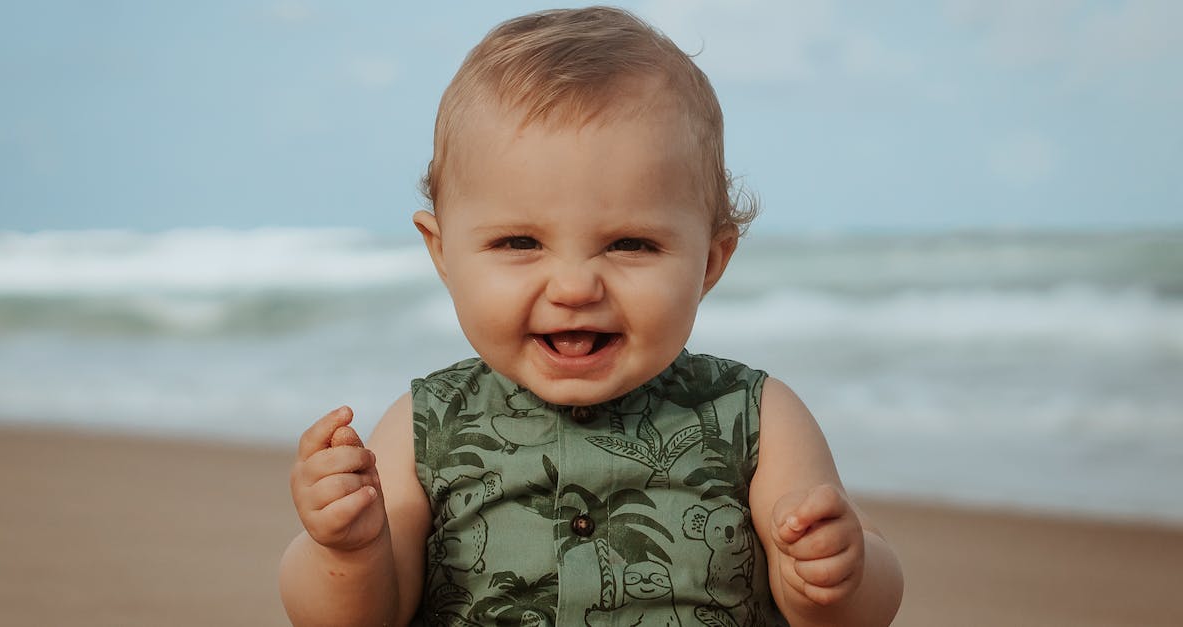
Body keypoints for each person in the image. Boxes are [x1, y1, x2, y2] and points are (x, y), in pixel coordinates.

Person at [279, 6, 903, 626]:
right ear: (442, 252)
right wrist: (350, 550)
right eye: (519, 243)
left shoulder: (758, 418)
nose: (575, 286)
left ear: (711, 261)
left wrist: (834, 576)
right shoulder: (423, 429)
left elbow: (857, 612)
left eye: (630, 244)